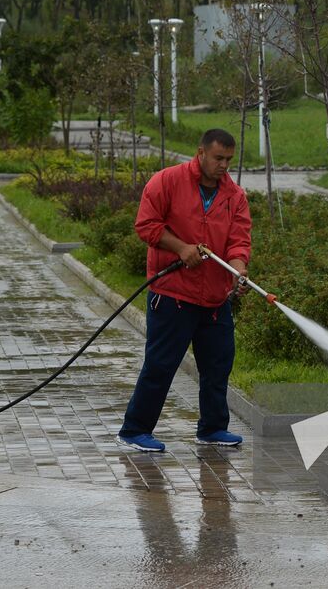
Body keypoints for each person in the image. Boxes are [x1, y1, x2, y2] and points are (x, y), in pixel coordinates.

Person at [116, 129, 252, 453]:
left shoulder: (234, 196)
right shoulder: (167, 182)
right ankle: (134, 430)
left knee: (218, 364)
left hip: (215, 298)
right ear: (201, 153)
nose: (224, 166)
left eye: (229, 160)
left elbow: (238, 240)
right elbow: (146, 225)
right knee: (161, 364)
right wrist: (180, 248)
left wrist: (238, 269)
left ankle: (213, 428)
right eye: (218, 158)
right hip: (173, 294)